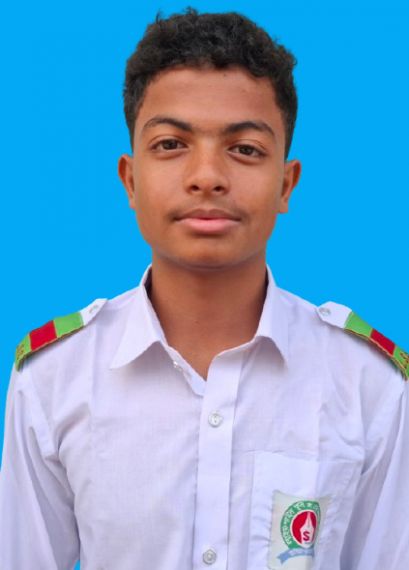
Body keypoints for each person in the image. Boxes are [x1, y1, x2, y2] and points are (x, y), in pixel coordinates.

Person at [0, 7, 408, 570]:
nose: (207, 176)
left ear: (286, 184)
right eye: (172, 144)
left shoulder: (368, 385)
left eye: (245, 149)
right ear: (130, 179)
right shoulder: (52, 380)